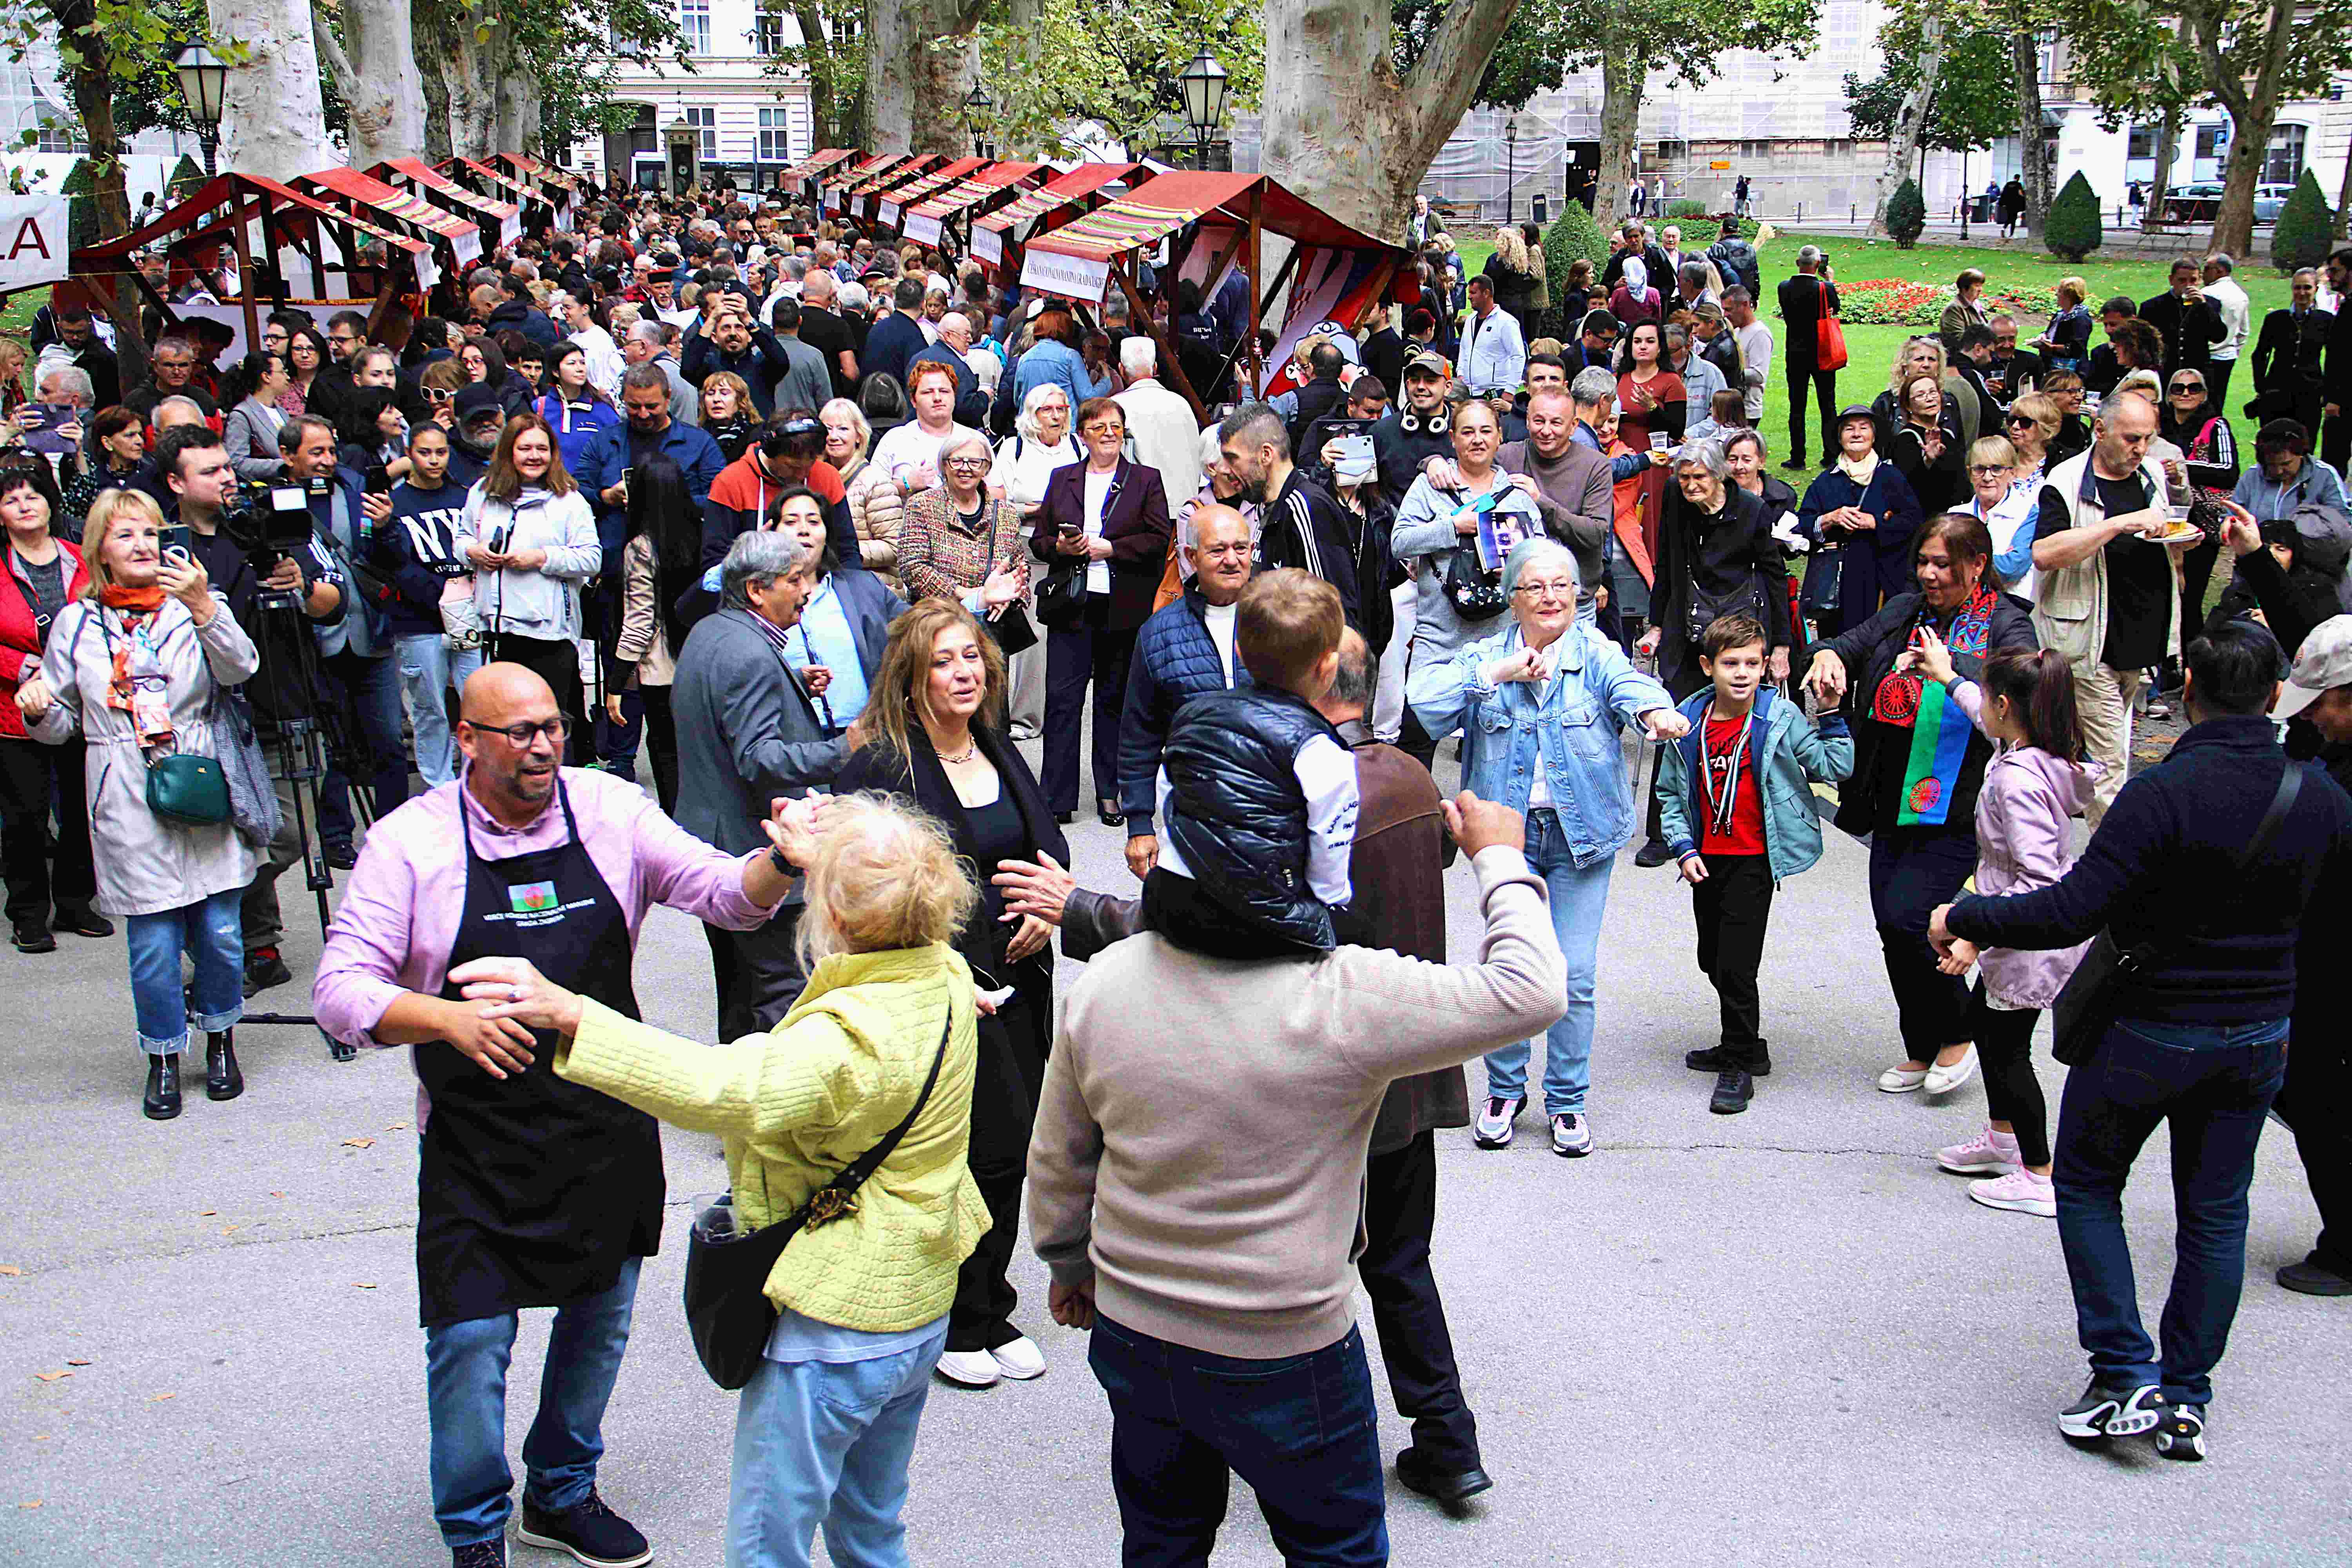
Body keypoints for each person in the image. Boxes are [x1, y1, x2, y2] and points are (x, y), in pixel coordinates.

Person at [310, 661, 807, 1568]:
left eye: (552, 727)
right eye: (520, 732)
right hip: (476, 1144)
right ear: (468, 738)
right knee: (469, 1338)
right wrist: (447, 1020)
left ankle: (562, 1489)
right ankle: (473, 1528)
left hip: (605, 1124)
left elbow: (728, 896)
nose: (543, 746)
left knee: (599, 1319)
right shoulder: (411, 842)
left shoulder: (610, 810)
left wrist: (781, 861)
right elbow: (339, 991)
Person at [1009, 624, 1492, 1505]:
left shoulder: (1310, 791)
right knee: (1401, 1260)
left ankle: (1290, 1438)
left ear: (1314, 685)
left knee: (1298, 1270)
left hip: (1321, 1070)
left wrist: (1080, 909)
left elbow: (1229, 926)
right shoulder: (1409, 777)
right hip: (1404, 1073)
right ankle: (1447, 1438)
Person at [458, 789, 987, 1568]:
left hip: (839, 1325)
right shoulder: (942, 972)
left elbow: (723, 1089)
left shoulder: (848, 1037)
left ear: (837, 915)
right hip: (918, 1304)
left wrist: (573, 1015)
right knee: (872, 1530)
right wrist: (827, 850)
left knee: (766, 1548)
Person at [1931, 622, 2352, 1457]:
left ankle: (2124, 1372)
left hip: (2148, 1027)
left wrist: (1964, 914)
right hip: (2258, 1034)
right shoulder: (2323, 798)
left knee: (2090, 1185)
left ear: (2187, 688)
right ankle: (2188, 1394)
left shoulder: (2161, 795)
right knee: (2216, 1211)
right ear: (2276, 695)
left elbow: (2068, 909)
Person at [831, 601, 1065, 1389]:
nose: (964, 673)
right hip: (938, 991)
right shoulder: (880, 768)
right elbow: (854, 892)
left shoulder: (993, 743)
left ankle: (987, 1304)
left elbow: (1047, 848)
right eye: (944, 661)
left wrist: (1045, 908)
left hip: (1021, 980)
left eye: (971, 657)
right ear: (911, 676)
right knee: (971, 1149)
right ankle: (959, 1315)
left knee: (1013, 1148)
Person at [1409, 538, 1686, 1158]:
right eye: (1535, 586)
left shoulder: (1596, 653)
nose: (1551, 597)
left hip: (1580, 836)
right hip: (1506, 839)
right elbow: (1424, 705)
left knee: (1574, 974)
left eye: (1562, 585)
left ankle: (1566, 1099)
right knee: (1511, 967)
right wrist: (1498, 674)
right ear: (1513, 599)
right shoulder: (1486, 656)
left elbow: (1631, 688)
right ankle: (1506, 1091)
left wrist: (1655, 714)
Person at [21, 487, 258, 1117]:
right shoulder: (77, 624)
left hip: (201, 778)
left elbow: (241, 668)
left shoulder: (194, 606)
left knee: (221, 932)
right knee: (153, 944)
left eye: (152, 533)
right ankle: (163, 1055)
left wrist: (205, 607)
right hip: (125, 790)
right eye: (126, 535)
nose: (143, 545)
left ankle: (221, 1038)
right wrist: (38, 709)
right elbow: (61, 722)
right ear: (100, 550)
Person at [1804, 512, 2038, 1097]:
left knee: (1912, 919)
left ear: (1978, 565)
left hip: (1959, 804)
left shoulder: (2008, 624)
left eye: (1943, 565)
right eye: (1924, 563)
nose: (1929, 575)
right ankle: (1922, 1045)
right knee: (1893, 926)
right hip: (1890, 797)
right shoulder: (1907, 611)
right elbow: (1846, 643)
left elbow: (2019, 702)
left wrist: (1950, 669)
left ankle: (1960, 1033)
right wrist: (1828, 656)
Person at [1907, 644, 2096, 1219]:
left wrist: (1974, 933)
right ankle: (2002, 1139)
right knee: (1990, 1035)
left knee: (2008, 1050)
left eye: (1989, 698)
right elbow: (1978, 712)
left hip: (2024, 937)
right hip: (2013, 930)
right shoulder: (2029, 751)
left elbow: (2039, 881)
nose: (1983, 706)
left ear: (2007, 706)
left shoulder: (2017, 782)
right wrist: (1949, 678)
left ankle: (2039, 1174)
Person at [1655, 613, 1853, 1113]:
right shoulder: (1688, 720)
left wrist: (1831, 713)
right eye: (1730, 663)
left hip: (1755, 859)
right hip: (1706, 860)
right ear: (1708, 666)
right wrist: (1683, 847)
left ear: (1765, 666)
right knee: (1711, 958)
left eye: (1751, 663)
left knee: (1737, 966)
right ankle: (1745, 1045)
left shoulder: (1779, 717)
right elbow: (1670, 794)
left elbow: (1835, 766)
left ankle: (1740, 1062)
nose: (1742, 673)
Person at [672, 530, 850, 1037]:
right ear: (756, 590)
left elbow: (724, 717)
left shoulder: (711, 631)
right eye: (794, 580)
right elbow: (759, 759)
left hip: (713, 847)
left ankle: (738, 1080)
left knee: (737, 989)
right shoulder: (750, 654)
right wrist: (847, 747)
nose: (806, 591)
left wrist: (792, 687)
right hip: (755, 853)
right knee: (782, 993)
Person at [2030, 392, 2200, 825]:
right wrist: (2117, 524)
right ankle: (2117, 856)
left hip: (2141, 641)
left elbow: (2162, 536)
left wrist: (2181, 540)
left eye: (2148, 438)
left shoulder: (2150, 474)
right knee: (2111, 763)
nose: (2141, 448)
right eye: (2132, 439)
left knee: (2096, 749)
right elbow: (2045, 554)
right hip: (2090, 644)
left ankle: (2047, 816)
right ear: (2101, 430)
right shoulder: (2066, 481)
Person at [1633, 439, 1792, 864]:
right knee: (1674, 722)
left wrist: (1780, 644)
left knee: (1739, 729)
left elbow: (1774, 575)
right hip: (1688, 625)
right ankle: (1663, 833)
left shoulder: (1752, 510)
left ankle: (1732, 824)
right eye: (1684, 478)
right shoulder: (1676, 498)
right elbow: (1668, 562)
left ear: (1719, 475)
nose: (1690, 486)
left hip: (1736, 633)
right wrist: (1656, 624)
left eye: (1699, 477)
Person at [1387, 398, 1548, 770]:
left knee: (1494, 754)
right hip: (1438, 639)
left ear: (1499, 437)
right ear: (1453, 439)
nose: (1478, 440)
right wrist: (1453, 527)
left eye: (1486, 431)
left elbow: (1540, 559)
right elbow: (1399, 542)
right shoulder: (1430, 487)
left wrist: (1516, 570)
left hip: (1499, 642)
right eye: (1468, 432)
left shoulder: (1518, 496)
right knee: (1415, 744)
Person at [1034, 397, 1171, 824]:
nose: (1109, 434)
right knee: (1062, 701)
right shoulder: (1063, 479)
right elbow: (1040, 540)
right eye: (1099, 428)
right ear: (1083, 436)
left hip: (1123, 606)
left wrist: (1112, 549)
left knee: (1114, 701)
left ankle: (1110, 793)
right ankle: (1057, 798)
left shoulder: (1145, 480)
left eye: (1115, 427)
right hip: (1072, 603)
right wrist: (1062, 547)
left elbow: (1158, 538)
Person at [0, 459, 103, 952]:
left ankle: (76, 901)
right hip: (15, 708)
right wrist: (26, 668)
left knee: (84, 808)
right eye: (11, 499)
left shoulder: (81, 558)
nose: (25, 506)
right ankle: (27, 912)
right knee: (26, 816)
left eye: (33, 495)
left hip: (84, 703)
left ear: (50, 503)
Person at [379, 423, 481, 791]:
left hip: (468, 613)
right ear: (409, 454)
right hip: (418, 618)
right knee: (430, 708)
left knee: (478, 704)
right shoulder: (396, 504)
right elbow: (392, 562)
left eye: (441, 452)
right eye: (425, 453)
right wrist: (440, 592)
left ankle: (477, 782)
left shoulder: (465, 497)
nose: (434, 460)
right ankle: (439, 788)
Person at [606, 456, 702, 813]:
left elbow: (639, 622)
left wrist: (616, 684)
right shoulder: (702, 534)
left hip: (662, 671)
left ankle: (678, 828)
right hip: (701, 659)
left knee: (666, 753)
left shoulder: (641, 548)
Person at [1796, 405, 1925, 640]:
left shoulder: (1891, 477)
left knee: (1876, 645)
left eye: (1864, 428)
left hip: (1880, 579)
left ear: (1874, 437)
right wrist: (1830, 518)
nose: (1857, 434)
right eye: (1849, 429)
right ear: (1840, 438)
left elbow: (1914, 521)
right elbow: (1803, 526)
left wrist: (1875, 523)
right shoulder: (1826, 481)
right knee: (1835, 644)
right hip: (1836, 583)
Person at [897, 428, 1028, 626]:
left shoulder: (1006, 513)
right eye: (957, 461)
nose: (966, 468)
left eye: (975, 462)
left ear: (986, 468)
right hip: (935, 623)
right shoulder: (922, 505)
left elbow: (1020, 569)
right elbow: (913, 568)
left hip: (992, 627)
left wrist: (1006, 596)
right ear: (944, 466)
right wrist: (971, 595)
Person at [1776, 247, 1841, 470]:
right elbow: (1835, 309)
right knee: (1828, 405)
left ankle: (1798, 457)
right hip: (1822, 352)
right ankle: (1831, 454)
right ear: (1818, 264)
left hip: (1795, 353)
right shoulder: (1825, 288)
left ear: (1798, 263)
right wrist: (1830, 281)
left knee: (1797, 406)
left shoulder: (1784, 288)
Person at [2249, 270, 2330, 437]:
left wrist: (2327, 391)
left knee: (2305, 441)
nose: (2302, 293)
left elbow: (2335, 359)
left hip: (2310, 394)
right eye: (2297, 288)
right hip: (2276, 392)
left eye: (2307, 288)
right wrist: (2261, 387)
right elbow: (2259, 354)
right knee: (2273, 442)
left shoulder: (2326, 320)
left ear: (2316, 289)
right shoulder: (2275, 319)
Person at [2230, 417, 2346, 527]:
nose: (2279, 471)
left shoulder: (2324, 475)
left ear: (2301, 454)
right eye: (2271, 465)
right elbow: (2231, 516)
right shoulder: (2252, 476)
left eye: (2286, 464)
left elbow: (2344, 522)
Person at [532, 341, 624, 477]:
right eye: (572, 363)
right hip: (549, 485)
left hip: (592, 486)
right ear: (556, 372)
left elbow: (618, 453)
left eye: (583, 363)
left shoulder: (603, 409)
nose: (580, 369)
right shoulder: (539, 407)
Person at [1887, 372, 1965, 516]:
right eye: (1920, 395)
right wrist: (1928, 461)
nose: (1929, 399)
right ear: (1908, 406)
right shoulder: (1906, 440)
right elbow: (1910, 488)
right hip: (1928, 520)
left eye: (1933, 392)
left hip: (1955, 516)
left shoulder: (1947, 434)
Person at [2140, 258, 2225, 383]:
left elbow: (2218, 337)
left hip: (2197, 373)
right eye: (2182, 280)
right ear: (2171, 280)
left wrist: (2203, 307)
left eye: (2193, 280)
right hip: (2164, 373)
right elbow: (2142, 344)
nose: (2188, 286)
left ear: (2200, 280)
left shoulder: (2211, 304)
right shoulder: (2151, 307)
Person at [220, 352, 293, 481]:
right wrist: (284, 466)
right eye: (283, 372)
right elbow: (237, 462)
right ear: (266, 377)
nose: (288, 377)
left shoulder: (282, 412)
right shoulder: (241, 415)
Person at [2200, 254, 2251, 410]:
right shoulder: (2241, 295)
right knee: (2218, 401)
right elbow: (2244, 331)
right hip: (2228, 356)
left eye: (2207, 269)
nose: (2203, 273)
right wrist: (2234, 350)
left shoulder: (2207, 293)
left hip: (2207, 356)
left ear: (2219, 271)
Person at [2035, 278, 2093, 380]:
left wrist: (2051, 348)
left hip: (2068, 372)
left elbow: (2076, 348)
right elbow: (2053, 334)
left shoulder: (2081, 319)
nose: (2056, 295)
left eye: (2060, 292)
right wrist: (2043, 336)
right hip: (2052, 366)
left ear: (2069, 296)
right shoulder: (2060, 315)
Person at [1938, 269, 1992, 361]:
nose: (1980, 290)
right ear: (1964, 288)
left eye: (1981, 286)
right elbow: (1957, 340)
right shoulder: (1955, 309)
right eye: (1977, 286)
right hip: (1963, 360)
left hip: (1980, 355)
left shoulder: (1976, 304)